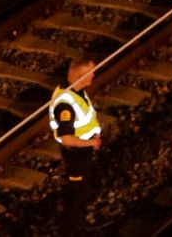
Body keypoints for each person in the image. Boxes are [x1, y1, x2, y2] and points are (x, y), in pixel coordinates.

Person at [48, 58, 102, 232]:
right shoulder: (65, 105)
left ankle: (82, 207)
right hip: (75, 152)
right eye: (91, 73)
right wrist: (91, 142)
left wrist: (95, 132)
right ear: (81, 76)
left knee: (85, 183)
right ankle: (72, 227)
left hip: (83, 148)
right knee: (77, 191)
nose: (93, 75)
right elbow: (67, 138)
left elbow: (85, 117)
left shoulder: (76, 91)